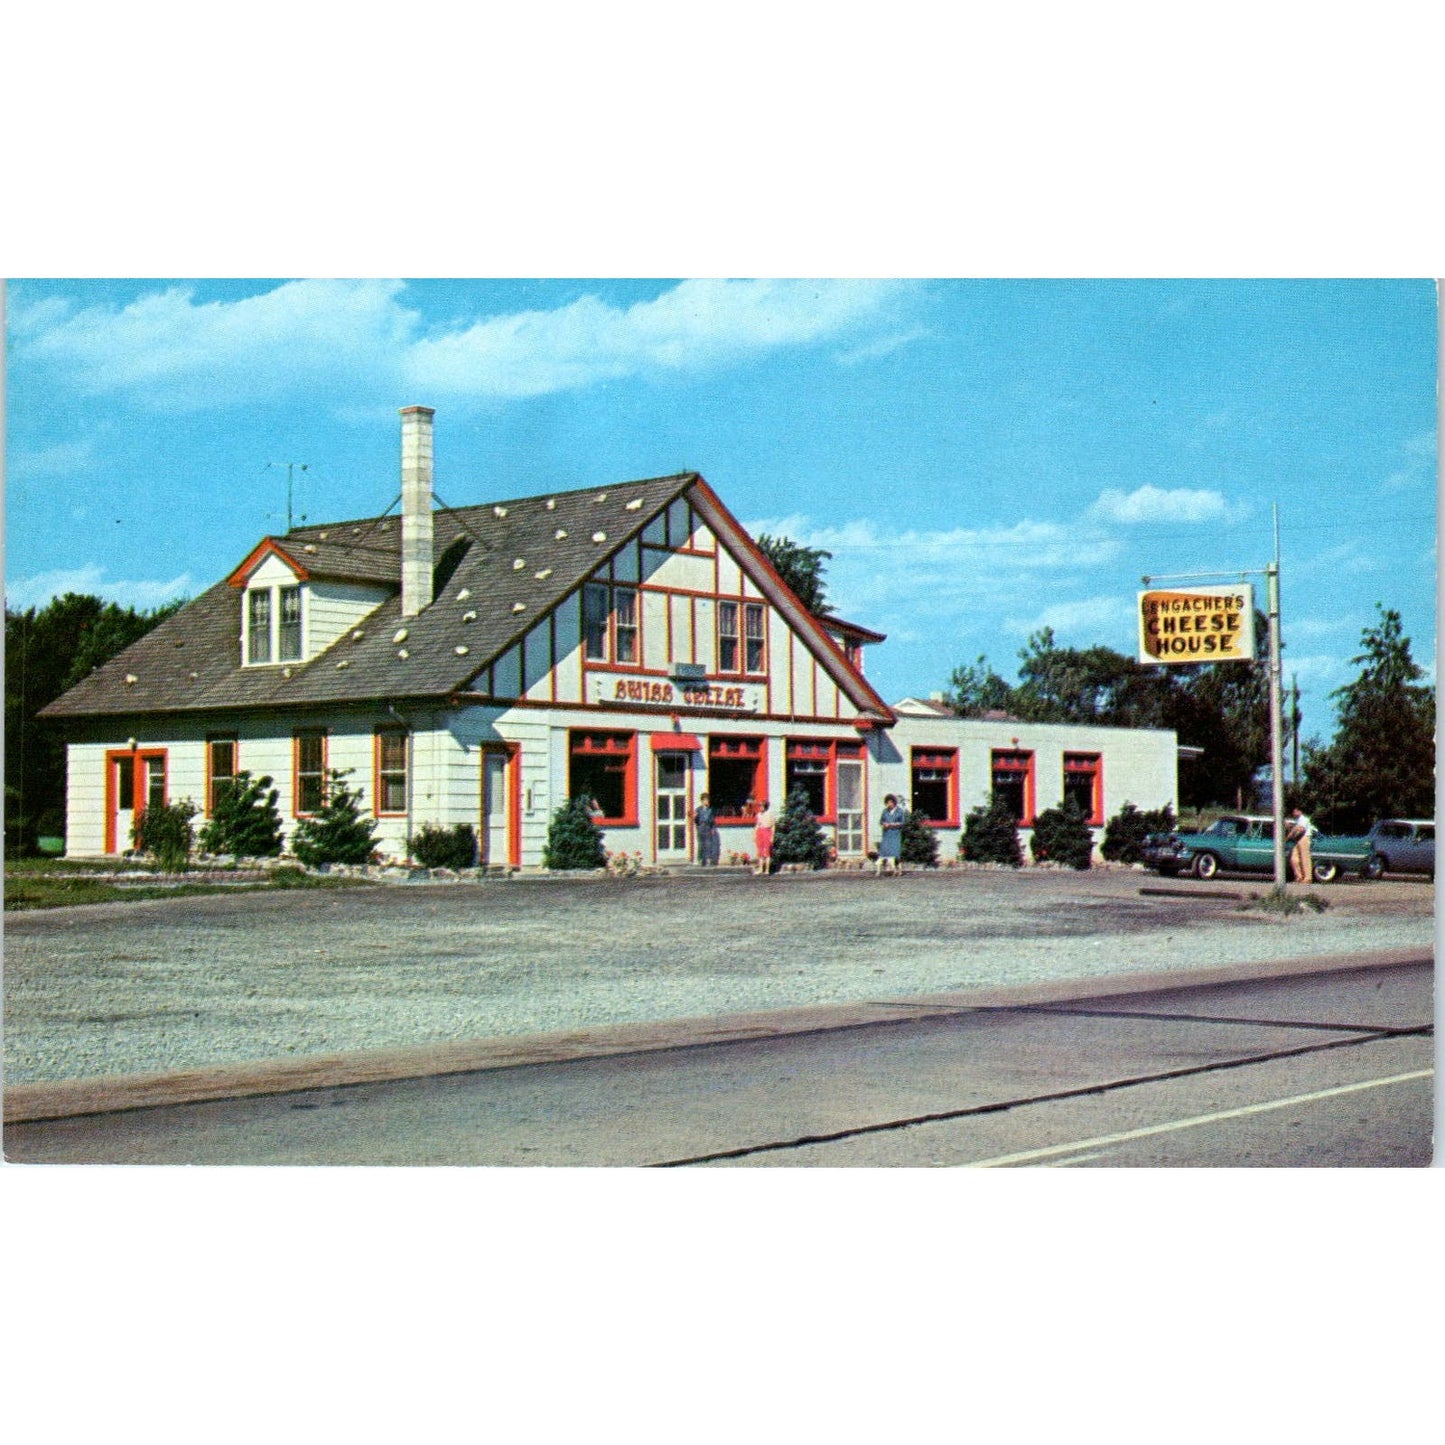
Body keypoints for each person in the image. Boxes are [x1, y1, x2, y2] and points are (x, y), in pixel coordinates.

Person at [877, 794, 906, 876]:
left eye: (890, 802)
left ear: (894, 803)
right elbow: (881, 821)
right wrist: (884, 824)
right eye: (887, 803)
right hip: (886, 834)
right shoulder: (885, 811)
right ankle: (888, 869)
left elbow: (902, 822)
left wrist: (893, 824)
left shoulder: (899, 811)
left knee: (895, 852)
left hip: (895, 833)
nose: (889, 804)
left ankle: (899, 870)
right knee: (885, 851)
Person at [1287, 805, 1314, 883]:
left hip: (1304, 838)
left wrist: (1292, 834)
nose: (1293, 813)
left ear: (1300, 811)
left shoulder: (1304, 819)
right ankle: (1299, 876)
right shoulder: (1298, 820)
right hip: (1298, 840)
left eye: (1295, 811)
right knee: (1294, 859)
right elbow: (1295, 829)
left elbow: (1301, 829)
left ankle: (1308, 878)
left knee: (1305, 858)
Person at [694, 792, 720, 867]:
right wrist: (696, 818)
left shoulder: (710, 810)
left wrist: (712, 828)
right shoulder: (698, 810)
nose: (706, 802)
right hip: (701, 827)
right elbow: (696, 821)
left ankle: (708, 859)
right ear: (702, 801)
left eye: (707, 800)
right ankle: (700, 859)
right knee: (701, 844)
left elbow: (712, 820)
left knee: (708, 844)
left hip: (708, 827)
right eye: (705, 800)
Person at [753, 798, 775, 876]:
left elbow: (773, 826)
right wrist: (754, 835)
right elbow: (757, 825)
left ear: (765, 807)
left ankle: (767, 870)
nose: (760, 808)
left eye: (761, 806)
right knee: (760, 852)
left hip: (767, 831)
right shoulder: (758, 815)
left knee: (767, 852)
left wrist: (772, 836)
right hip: (760, 832)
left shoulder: (770, 814)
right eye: (759, 806)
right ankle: (760, 869)